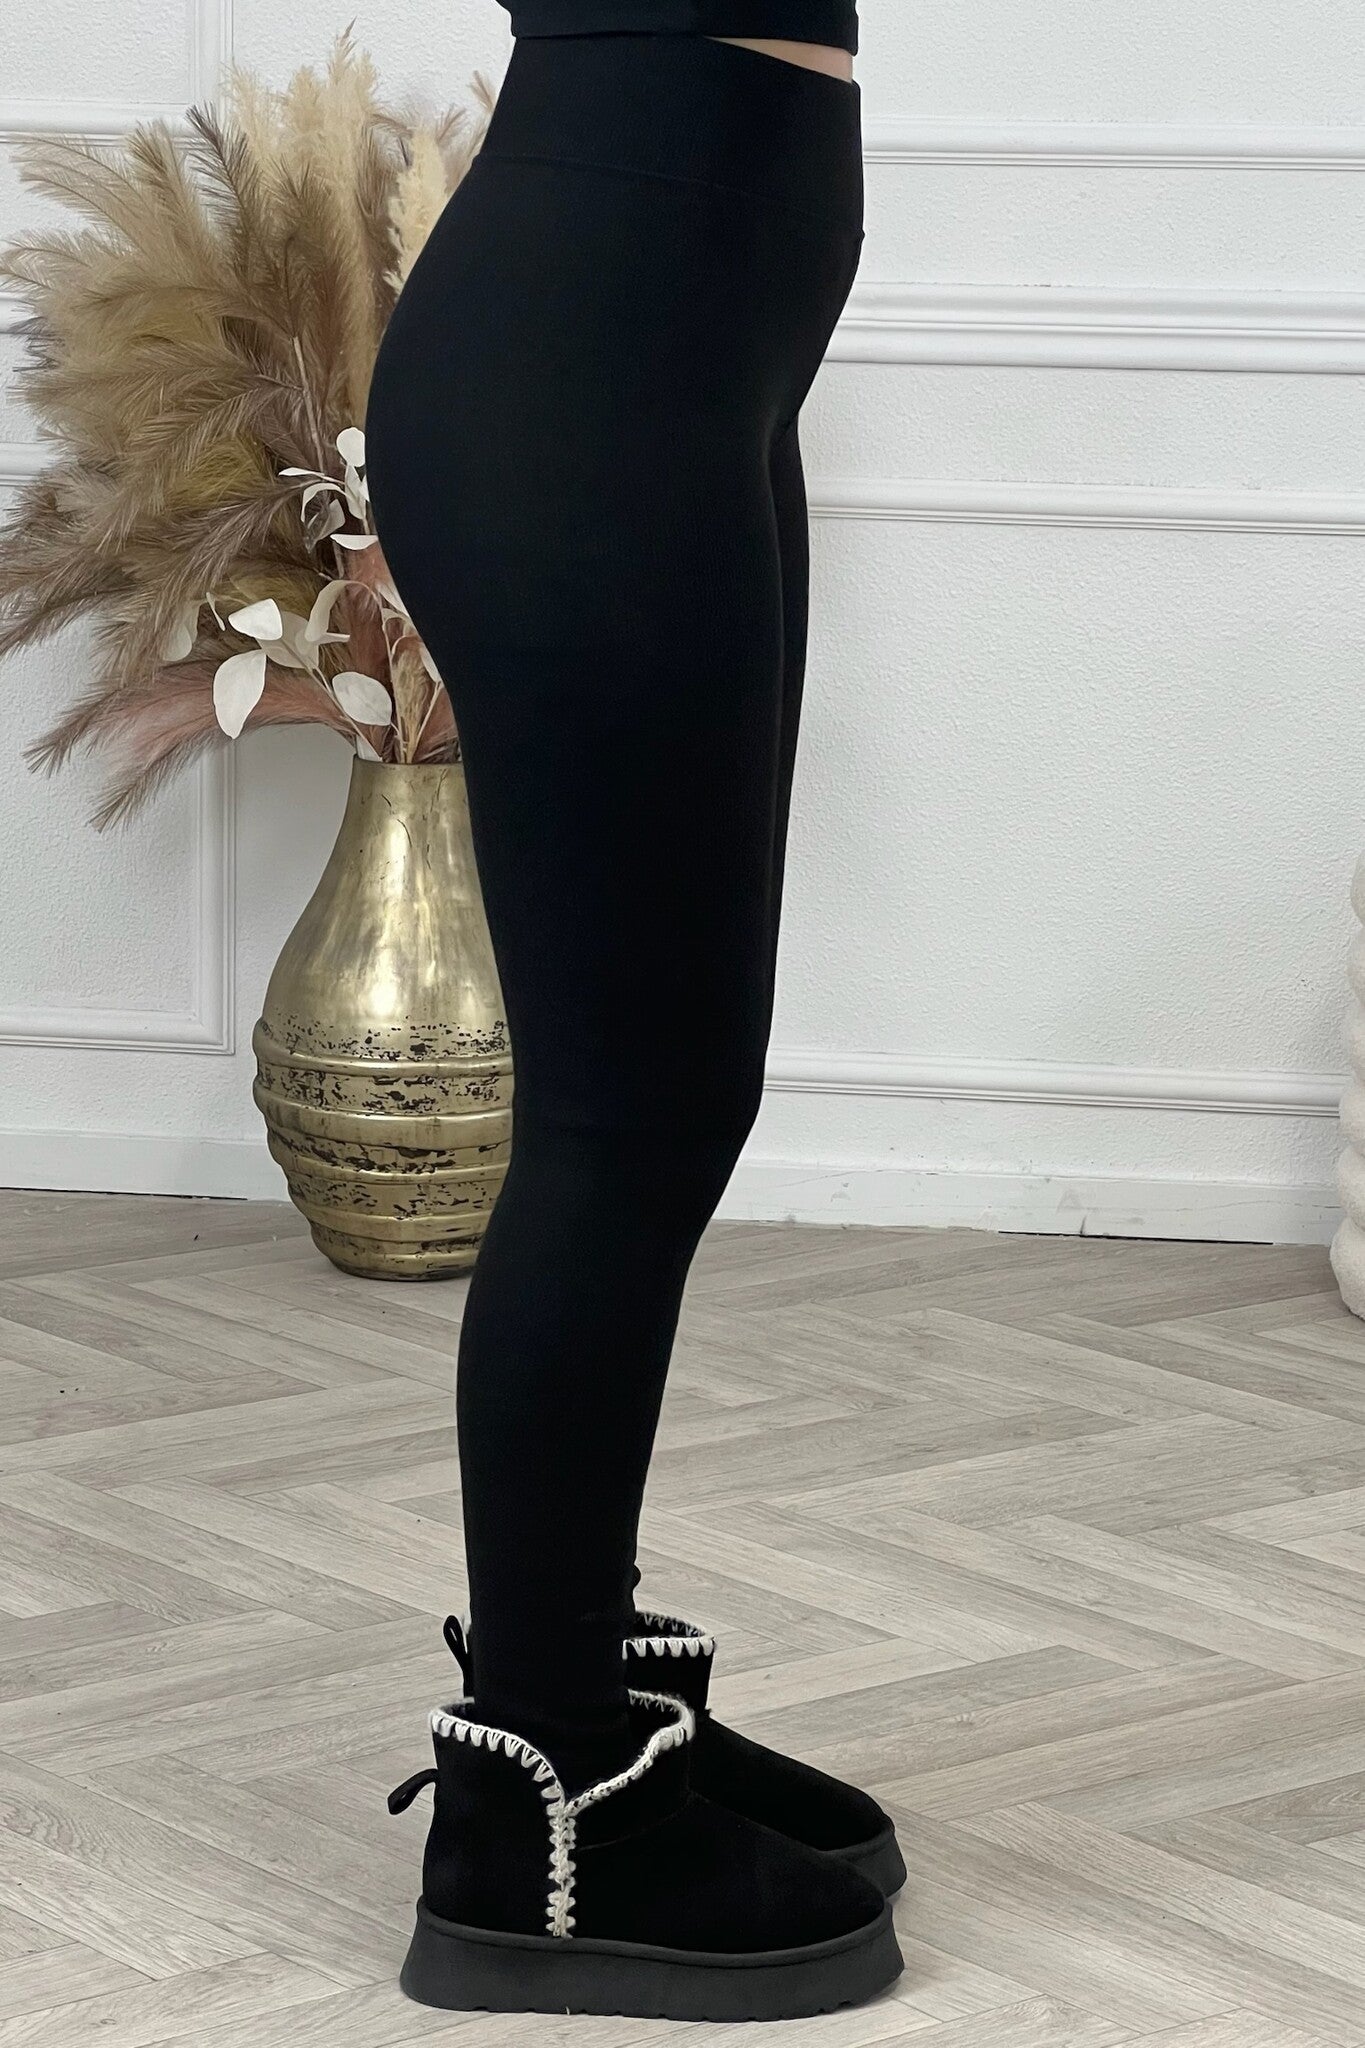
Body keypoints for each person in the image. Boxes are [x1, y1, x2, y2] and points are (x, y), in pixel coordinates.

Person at [365, 0, 904, 2020]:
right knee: (625, 1112)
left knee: (682, 1089)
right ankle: (538, 1801)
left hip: (678, 338)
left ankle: (582, 1679)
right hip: (594, 347)